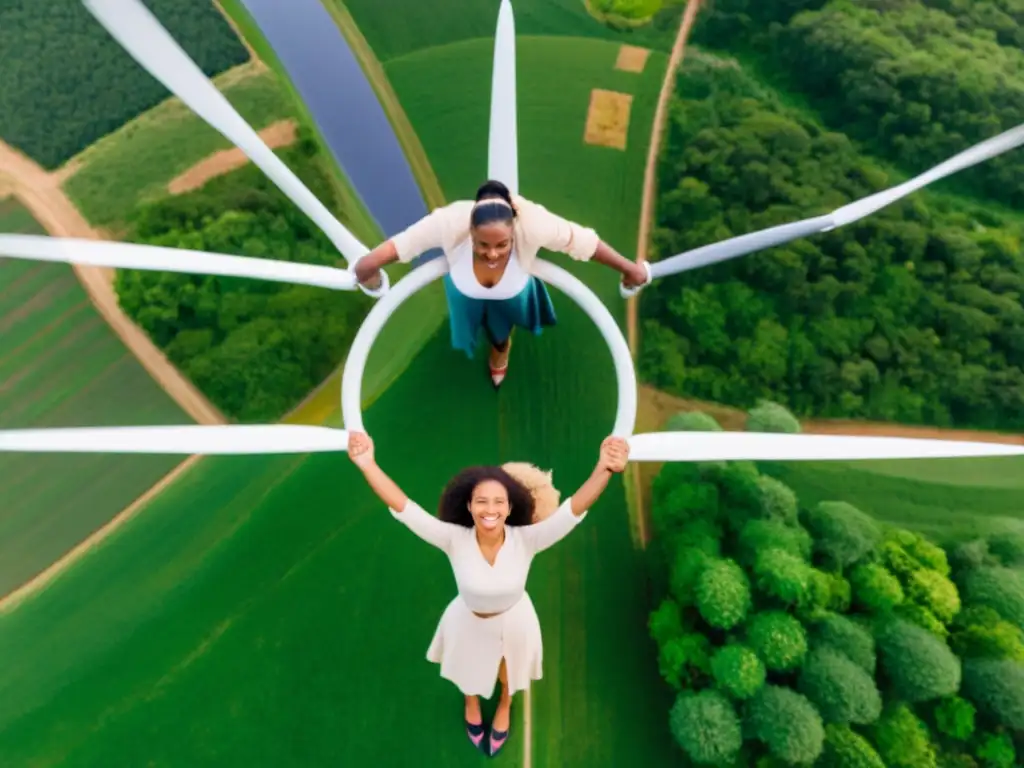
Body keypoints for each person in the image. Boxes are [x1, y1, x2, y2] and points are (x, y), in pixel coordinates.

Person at [346, 430, 630, 757]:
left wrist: (604, 468)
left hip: (515, 621)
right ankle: (471, 701)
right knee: (468, 669)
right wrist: (367, 464)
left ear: (510, 508)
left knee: (509, 674)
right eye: (481, 501)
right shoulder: (454, 538)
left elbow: (574, 510)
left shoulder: (528, 540)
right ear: (469, 506)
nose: (489, 509)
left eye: (498, 501)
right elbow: (404, 507)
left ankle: (505, 705)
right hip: (467, 621)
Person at [353, 180, 648, 388]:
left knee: (500, 333)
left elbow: (585, 243)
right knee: (470, 320)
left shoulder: (535, 223)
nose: (492, 254)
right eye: (482, 244)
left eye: (502, 244)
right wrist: (370, 273)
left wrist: (629, 269)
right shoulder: (448, 222)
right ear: (469, 229)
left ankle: (500, 352)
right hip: (466, 293)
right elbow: (402, 246)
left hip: (512, 293)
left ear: (515, 232)